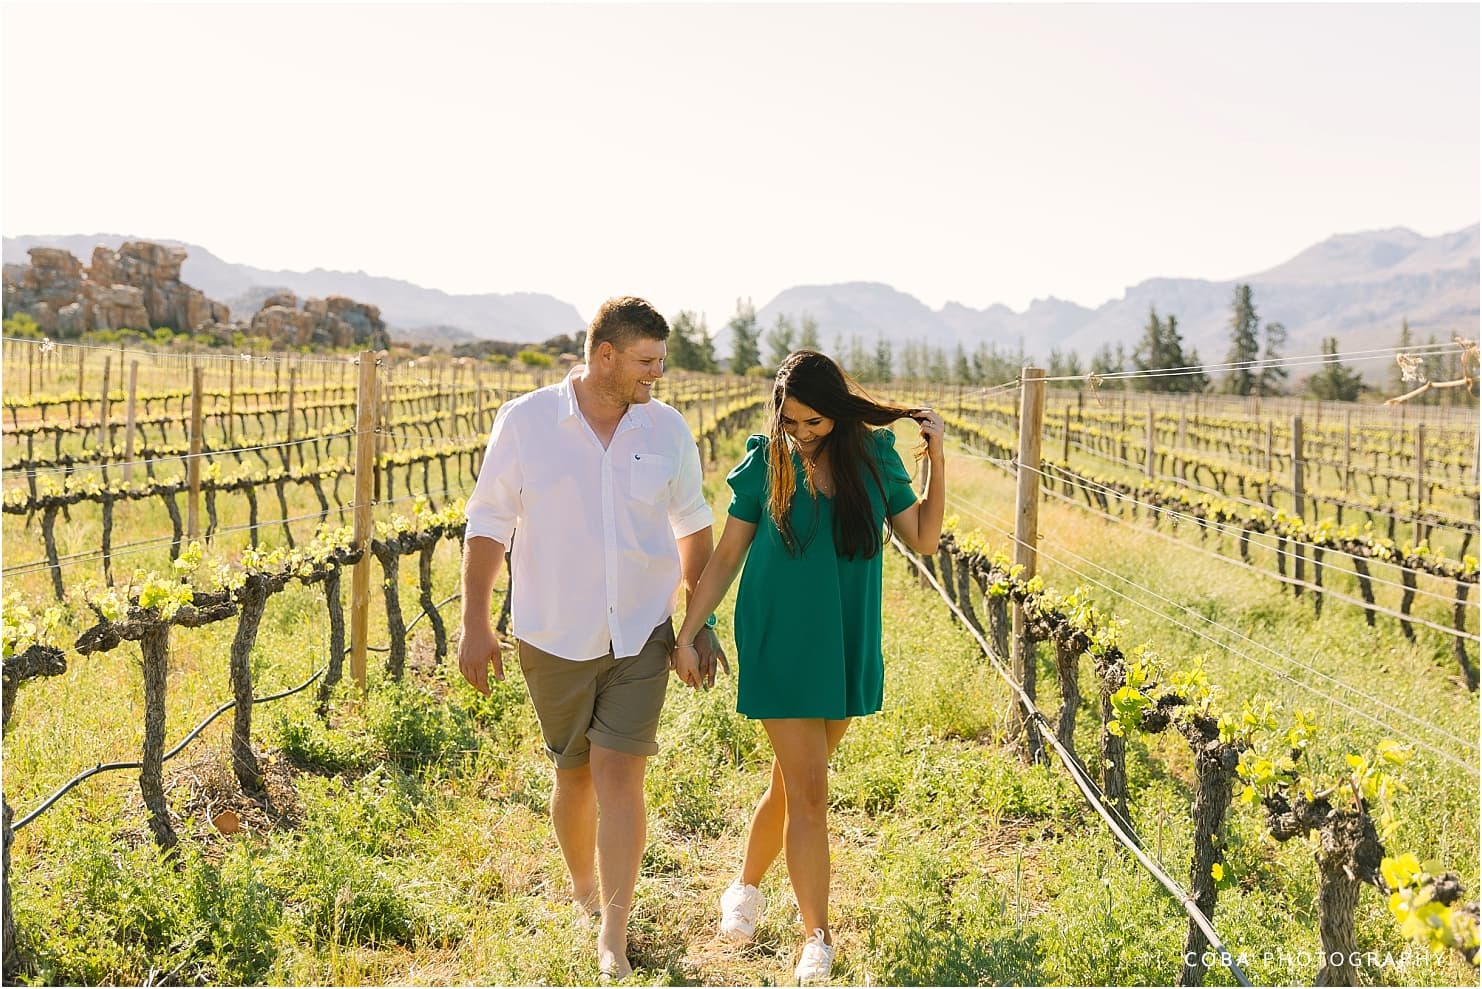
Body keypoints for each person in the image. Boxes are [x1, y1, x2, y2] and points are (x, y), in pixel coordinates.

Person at [458, 296, 727, 980]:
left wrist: (697, 626)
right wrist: (474, 624)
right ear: (603, 354)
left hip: (641, 630)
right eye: (645, 360)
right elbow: (488, 522)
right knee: (573, 773)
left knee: (618, 773)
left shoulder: (666, 430)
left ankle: (614, 927)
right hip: (552, 633)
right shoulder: (527, 423)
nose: (657, 373)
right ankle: (583, 885)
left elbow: (694, 527)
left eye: (661, 360)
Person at [672, 349, 945, 985]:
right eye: (790, 420)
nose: (799, 433)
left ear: (838, 413)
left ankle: (743, 885)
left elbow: (925, 538)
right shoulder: (768, 460)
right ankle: (816, 938)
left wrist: (939, 460)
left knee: (793, 783)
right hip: (779, 637)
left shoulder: (873, 457)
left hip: (844, 639)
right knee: (813, 791)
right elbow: (726, 557)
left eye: (813, 422)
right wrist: (690, 631)